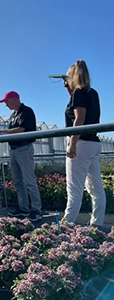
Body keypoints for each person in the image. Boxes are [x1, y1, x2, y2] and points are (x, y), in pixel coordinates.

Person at [62, 60, 106, 227]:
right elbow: (79, 105)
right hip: (93, 143)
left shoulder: (79, 93)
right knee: (96, 189)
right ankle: (97, 225)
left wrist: (72, 142)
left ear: (73, 76)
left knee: (74, 189)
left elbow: (79, 118)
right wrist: (69, 89)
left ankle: (66, 227)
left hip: (81, 143)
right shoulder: (91, 93)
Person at [0, 91, 42, 221]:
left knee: (30, 180)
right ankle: (23, 208)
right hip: (14, 150)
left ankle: (36, 209)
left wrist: (0, 132)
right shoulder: (14, 115)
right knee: (18, 181)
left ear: (15, 99)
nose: (6, 105)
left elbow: (21, 129)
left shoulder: (26, 111)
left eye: (7, 102)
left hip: (24, 148)